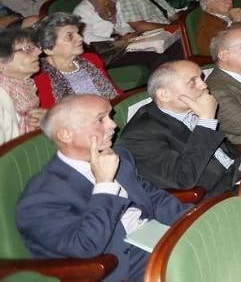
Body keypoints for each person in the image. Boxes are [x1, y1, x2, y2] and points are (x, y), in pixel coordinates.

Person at [16, 94, 189, 281]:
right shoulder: (41, 197)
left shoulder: (117, 155)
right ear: (65, 134)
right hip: (119, 267)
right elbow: (85, 248)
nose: (113, 125)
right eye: (100, 120)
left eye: (110, 116)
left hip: (156, 240)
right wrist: (104, 184)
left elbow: (154, 198)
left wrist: (193, 220)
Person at [118, 60, 241, 198]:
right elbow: (183, 178)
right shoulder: (140, 135)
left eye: (201, 78)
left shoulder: (189, 110)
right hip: (213, 199)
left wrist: (239, 161)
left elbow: (218, 153)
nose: (204, 85)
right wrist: (206, 120)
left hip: (237, 179)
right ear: (164, 94)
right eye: (193, 82)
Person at [33, 13, 121, 107]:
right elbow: (50, 116)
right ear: (48, 49)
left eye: (78, 33)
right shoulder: (39, 77)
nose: (80, 38)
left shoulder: (91, 59)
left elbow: (116, 92)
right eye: (69, 36)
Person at [0, 26, 46, 143]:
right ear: (2, 63)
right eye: (27, 49)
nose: (39, 51)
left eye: (35, 47)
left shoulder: (24, 87)